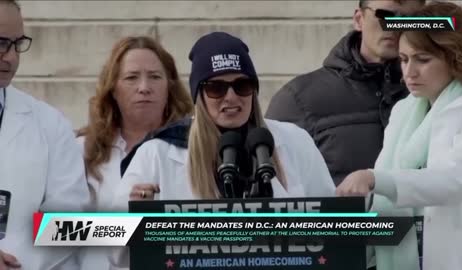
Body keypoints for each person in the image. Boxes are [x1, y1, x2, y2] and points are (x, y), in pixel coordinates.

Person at [110, 32, 336, 267]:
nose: (231, 97)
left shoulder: (294, 141)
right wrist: (136, 219)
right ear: (199, 95)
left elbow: (332, 226)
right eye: (216, 88)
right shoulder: (157, 153)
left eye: (242, 85)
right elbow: (114, 251)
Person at [336, 2, 462, 270]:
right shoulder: (404, 110)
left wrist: (375, 179)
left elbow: (453, 178)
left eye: (423, 59)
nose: (409, 72)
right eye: (403, 59)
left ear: (455, 56)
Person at [265, 0, 424, 186]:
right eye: (385, 15)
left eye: (408, 19)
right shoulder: (298, 99)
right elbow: (276, 189)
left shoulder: (437, 93)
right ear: (359, 19)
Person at [76, 36, 193, 270]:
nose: (144, 88)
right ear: (113, 89)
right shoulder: (81, 150)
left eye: (155, 77)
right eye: (131, 78)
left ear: (169, 86)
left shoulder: (194, 148)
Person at [0, 0, 90, 269]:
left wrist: (10, 260)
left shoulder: (50, 125)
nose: (12, 57)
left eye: (18, 44)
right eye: (1, 42)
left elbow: (68, 218)